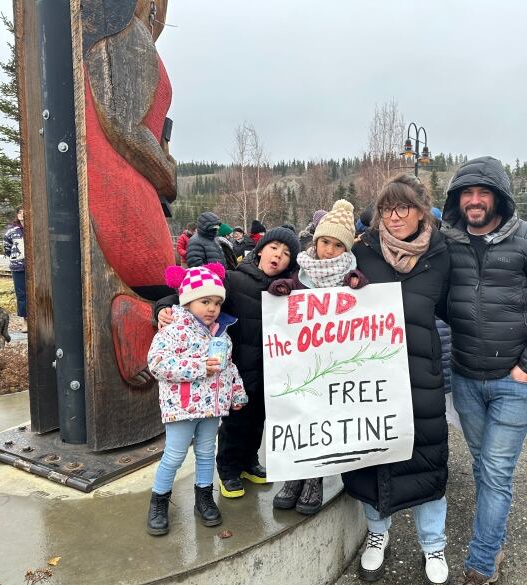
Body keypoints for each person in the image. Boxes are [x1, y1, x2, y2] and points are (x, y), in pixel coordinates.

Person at [440, 157, 527, 584]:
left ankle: (482, 560)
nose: (474, 201)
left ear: (499, 197)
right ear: (458, 199)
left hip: (513, 382)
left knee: (496, 472)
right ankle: (494, 537)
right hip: (465, 376)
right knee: (482, 465)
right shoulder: (446, 243)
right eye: (467, 193)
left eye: (483, 193)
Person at [344, 174, 451, 585]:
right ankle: (377, 534)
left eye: (403, 208)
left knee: (427, 455)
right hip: (371, 376)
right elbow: (321, 282)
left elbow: (454, 305)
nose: (393, 217)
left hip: (420, 373)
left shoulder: (441, 253)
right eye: (387, 208)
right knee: (374, 456)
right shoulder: (363, 251)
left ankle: (433, 543)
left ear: (422, 210)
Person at [157, 227, 300, 497]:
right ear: (260, 250)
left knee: (258, 419)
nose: (278, 255)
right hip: (234, 370)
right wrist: (163, 308)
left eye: (286, 254)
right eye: (274, 248)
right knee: (235, 422)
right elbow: (192, 292)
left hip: (269, 369)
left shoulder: (287, 290)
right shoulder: (233, 280)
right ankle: (228, 469)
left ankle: (248, 462)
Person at [267, 199, 367, 515]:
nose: (329, 250)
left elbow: (363, 301)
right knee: (298, 417)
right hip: (301, 362)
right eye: (325, 241)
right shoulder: (303, 272)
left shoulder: (348, 275)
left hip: (332, 364)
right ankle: (294, 477)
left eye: (338, 245)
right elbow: (290, 288)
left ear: (346, 248)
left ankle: (315, 479)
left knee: (322, 422)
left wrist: (357, 284)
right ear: (316, 240)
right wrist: (283, 288)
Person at [146, 262, 247, 536]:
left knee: (205, 454)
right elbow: (157, 363)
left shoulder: (221, 333)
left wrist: (236, 392)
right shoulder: (173, 328)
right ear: (188, 301)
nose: (212, 308)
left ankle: (204, 496)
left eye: (216, 302)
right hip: (182, 407)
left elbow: (228, 366)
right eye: (204, 301)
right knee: (175, 455)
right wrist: (200, 366)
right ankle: (159, 500)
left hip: (212, 407)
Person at [3, 207, 27, 332]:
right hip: (18, 267)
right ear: (17, 215)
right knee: (22, 295)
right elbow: (6, 247)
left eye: (24, 212)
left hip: (34, 267)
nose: (22, 214)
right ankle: (25, 322)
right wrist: (16, 258)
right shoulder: (11, 231)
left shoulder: (34, 229)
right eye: (19, 212)